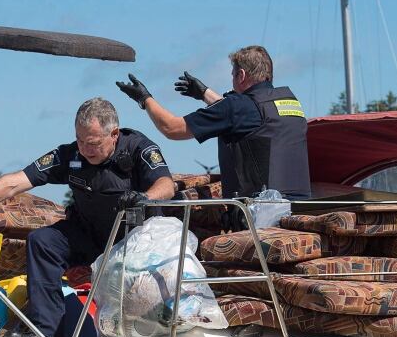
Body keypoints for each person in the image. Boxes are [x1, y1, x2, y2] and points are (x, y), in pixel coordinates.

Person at [0, 98, 175, 337]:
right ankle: (44, 334)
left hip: (133, 243)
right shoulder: (70, 155)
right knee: (43, 241)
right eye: (79, 140)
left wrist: (144, 197)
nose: (85, 149)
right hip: (89, 236)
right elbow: (14, 182)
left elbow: (166, 185)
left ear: (114, 134)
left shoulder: (139, 149)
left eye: (93, 143)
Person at [116, 45, 311, 227]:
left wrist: (144, 99)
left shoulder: (237, 107)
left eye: (233, 74)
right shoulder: (287, 104)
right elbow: (244, 115)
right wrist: (204, 93)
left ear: (241, 75)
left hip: (260, 216)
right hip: (299, 211)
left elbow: (172, 128)